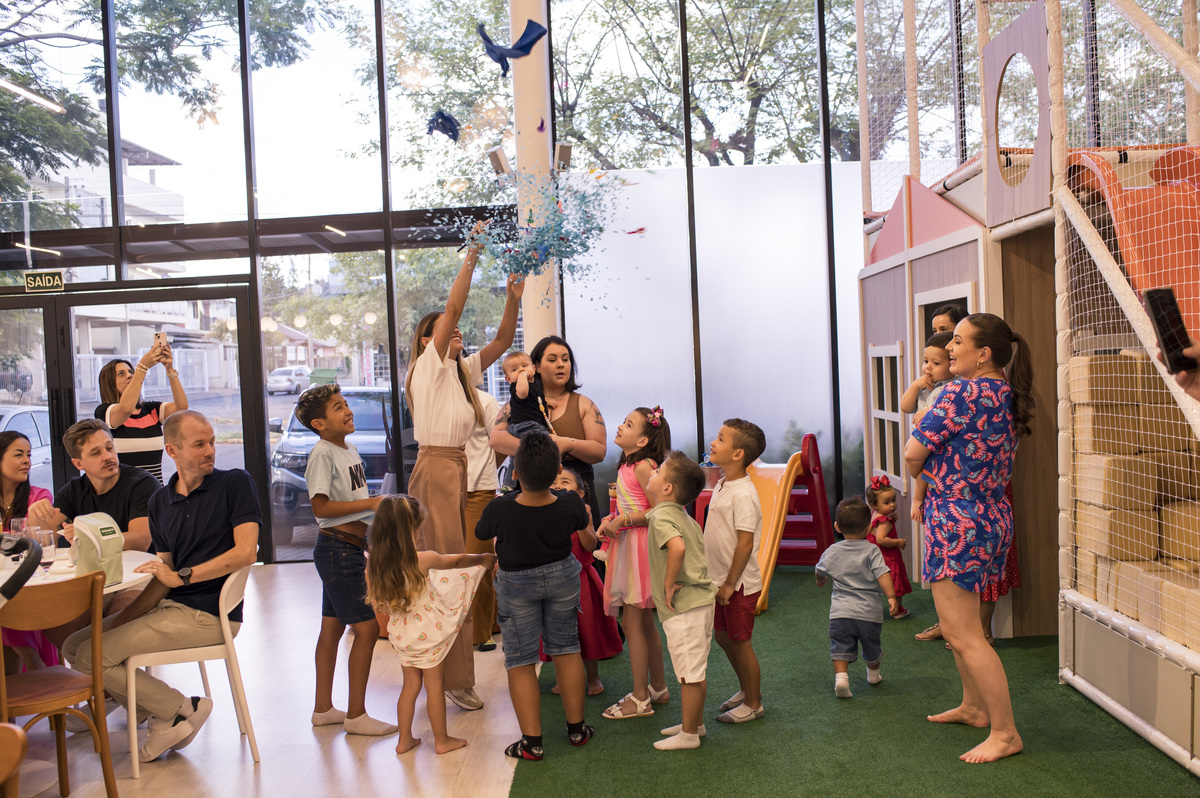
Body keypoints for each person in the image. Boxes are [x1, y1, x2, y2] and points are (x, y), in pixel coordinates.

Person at [61, 410, 260, 763]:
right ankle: (159, 712)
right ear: (172, 450)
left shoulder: (235, 483)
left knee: (94, 656)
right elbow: (163, 573)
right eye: (199, 444)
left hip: (211, 613)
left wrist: (183, 577)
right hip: (171, 607)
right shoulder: (160, 501)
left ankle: (178, 709)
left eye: (211, 442)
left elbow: (245, 553)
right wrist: (123, 619)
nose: (210, 451)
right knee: (75, 644)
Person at [903, 312, 1033, 763]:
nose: (949, 348)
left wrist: (923, 465)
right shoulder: (1005, 392)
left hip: (958, 521)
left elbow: (911, 453)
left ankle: (1005, 733)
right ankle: (975, 707)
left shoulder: (961, 391)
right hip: (992, 517)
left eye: (958, 341)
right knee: (970, 630)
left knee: (964, 635)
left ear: (984, 354)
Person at [405, 220, 523, 712]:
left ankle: (455, 673)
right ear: (428, 340)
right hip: (436, 469)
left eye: (454, 331)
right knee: (446, 573)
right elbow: (454, 306)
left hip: (457, 470)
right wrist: (472, 254)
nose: (454, 331)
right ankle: (446, 673)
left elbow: (499, 341)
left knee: (462, 572)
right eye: (444, 330)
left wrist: (514, 294)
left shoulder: (459, 370)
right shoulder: (428, 368)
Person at [474, 431, 595, 761]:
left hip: (515, 584)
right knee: (567, 649)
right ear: (557, 471)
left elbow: (482, 533)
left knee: (520, 660)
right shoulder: (570, 503)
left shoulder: (500, 508)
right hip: (561, 578)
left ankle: (532, 742)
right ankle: (577, 730)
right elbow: (584, 525)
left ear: (515, 474)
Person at [295, 384, 396, 736]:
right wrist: (369, 504)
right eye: (338, 408)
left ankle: (323, 708)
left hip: (347, 547)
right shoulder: (322, 453)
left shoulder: (348, 448)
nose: (348, 411)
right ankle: (356, 714)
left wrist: (370, 514)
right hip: (336, 549)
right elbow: (320, 507)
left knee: (332, 628)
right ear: (320, 424)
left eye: (346, 404)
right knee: (367, 629)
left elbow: (348, 498)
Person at [366, 495, 492, 755]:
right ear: (411, 529)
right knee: (434, 685)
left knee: (410, 686)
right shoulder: (423, 559)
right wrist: (482, 557)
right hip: (429, 634)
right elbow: (456, 562)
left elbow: (378, 605)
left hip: (402, 634)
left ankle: (404, 740)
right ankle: (442, 740)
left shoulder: (375, 565)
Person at [596, 406, 670, 720]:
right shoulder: (630, 465)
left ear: (641, 441)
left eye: (628, 424)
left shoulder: (644, 467)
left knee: (633, 622)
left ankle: (640, 697)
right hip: (628, 543)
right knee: (642, 622)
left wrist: (622, 519)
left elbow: (659, 511)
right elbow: (631, 505)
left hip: (638, 549)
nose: (620, 427)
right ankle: (658, 687)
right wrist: (611, 520)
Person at [490, 335, 608, 523]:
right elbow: (496, 439)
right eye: (552, 360)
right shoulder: (517, 403)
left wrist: (565, 443)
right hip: (530, 491)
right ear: (535, 366)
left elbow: (599, 451)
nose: (561, 364)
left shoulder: (584, 404)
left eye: (566, 359)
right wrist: (539, 451)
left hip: (574, 490)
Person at [646, 451, 717, 751]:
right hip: (701, 602)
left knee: (689, 673)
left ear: (667, 489)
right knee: (695, 669)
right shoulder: (682, 515)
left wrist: (668, 582)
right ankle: (695, 723)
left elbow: (676, 549)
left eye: (659, 470)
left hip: (684, 606)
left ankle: (689, 735)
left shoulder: (662, 515)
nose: (652, 471)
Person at [704, 418, 767, 724]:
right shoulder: (722, 483)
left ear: (738, 454)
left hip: (738, 584)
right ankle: (745, 689)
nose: (713, 443)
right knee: (722, 636)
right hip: (719, 580)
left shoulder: (744, 493)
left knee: (740, 641)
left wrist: (730, 583)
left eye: (721, 439)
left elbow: (745, 544)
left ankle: (754, 704)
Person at [544, 465, 622, 696]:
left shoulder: (584, 511)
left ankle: (594, 677)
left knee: (586, 630)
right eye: (554, 481)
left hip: (581, 581)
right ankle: (562, 677)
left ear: (579, 494)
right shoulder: (544, 511)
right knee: (557, 633)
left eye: (565, 482)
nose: (558, 485)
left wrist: (579, 522)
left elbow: (590, 545)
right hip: (554, 581)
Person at [28, 419, 158, 554]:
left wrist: (91, 536)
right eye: (96, 453)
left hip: (143, 569)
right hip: (97, 570)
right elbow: (46, 541)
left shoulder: (142, 483)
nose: (107, 456)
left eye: (109, 448)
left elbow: (141, 541)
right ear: (78, 464)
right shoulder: (73, 491)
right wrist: (36, 516)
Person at [816, 497, 900, 699]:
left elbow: (819, 569)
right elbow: (882, 573)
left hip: (840, 613)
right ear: (869, 527)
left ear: (837, 526)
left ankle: (842, 679)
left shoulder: (832, 550)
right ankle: (873, 675)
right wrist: (891, 596)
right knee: (872, 646)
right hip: (868, 613)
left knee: (840, 647)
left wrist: (820, 580)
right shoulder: (872, 550)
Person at [0, 430, 57, 673]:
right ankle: (30, 658)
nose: (27, 460)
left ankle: (31, 657)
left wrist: (39, 520)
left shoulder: (39, 497)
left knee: (7, 602)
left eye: (29, 454)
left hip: (28, 585)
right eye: (18, 454)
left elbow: (46, 544)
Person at [95, 341, 189, 483]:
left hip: (154, 494)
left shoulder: (151, 410)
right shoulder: (105, 411)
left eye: (131, 372)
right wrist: (142, 367)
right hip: (124, 498)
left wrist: (170, 369)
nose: (129, 376)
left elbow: (181, 407)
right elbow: (125, 408)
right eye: (121, 373)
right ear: (108, 383)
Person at [902, 332, 954, 536]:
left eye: (936, 363)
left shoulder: (952, 387)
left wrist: (929, 410)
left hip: (935, 445)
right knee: (921, 468)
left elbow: (945, 410)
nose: (928, 367)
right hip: (920, 441)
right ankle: (917, 499)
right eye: (926, 361)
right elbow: (905, 407)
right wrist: (915, 386)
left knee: (924, 470)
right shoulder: (926, 384)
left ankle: (917, 500)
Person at [463, 387, 502, 652]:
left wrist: (486, 471)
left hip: (479, 489)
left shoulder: (485, 401)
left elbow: (499, 444)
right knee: (442, 559)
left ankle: (481, 631)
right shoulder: (431, 397)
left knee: (479, 560)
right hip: (443, 487)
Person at [864, 475, 912, 619]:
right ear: (875, 505)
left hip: (874, 555)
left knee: (874, 582)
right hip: (888, 557)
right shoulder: (884, 522)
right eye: (887, 502)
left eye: (893, 500)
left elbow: (873, 531)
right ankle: (898, 608)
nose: (892, 505)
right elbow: (881, 539)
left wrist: (891, 519)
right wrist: (898, 542)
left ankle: (870, 608)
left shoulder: (876, 514)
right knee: (895, 580)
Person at [501, 351, 553, 437]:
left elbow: (535, 398)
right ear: (508, 379)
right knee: (548, 442)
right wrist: (523, 376)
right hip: (523, 425)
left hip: (536, 425)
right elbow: (523, 393)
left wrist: (545, 403)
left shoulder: (536, 383)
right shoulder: (516, 386)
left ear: (533, 368)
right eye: (514, 369)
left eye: (524, 366)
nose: (521, 369)